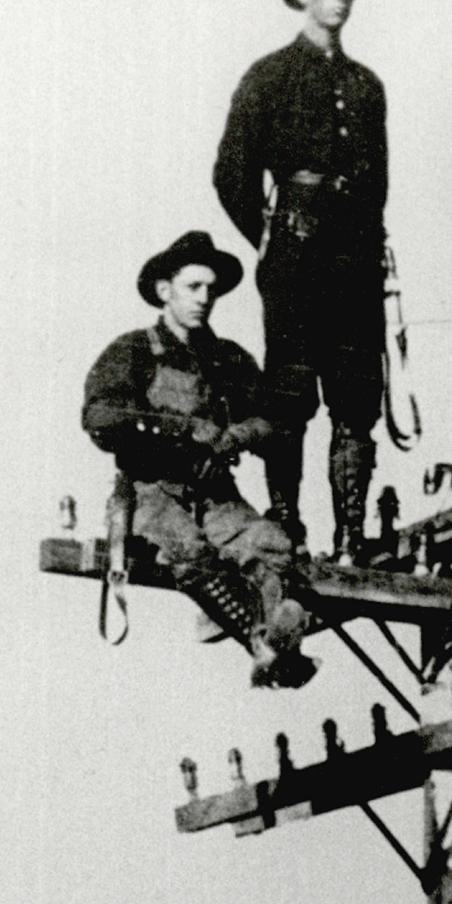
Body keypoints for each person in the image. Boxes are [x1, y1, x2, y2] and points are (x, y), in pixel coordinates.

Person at [214, 0, 387, 563]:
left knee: (356, 398)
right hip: (295, 258)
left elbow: (380, 184)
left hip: (357, 259)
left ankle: (350, 534)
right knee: (289, 396)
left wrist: (373, 245)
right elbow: (232, 172)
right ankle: (286, 525)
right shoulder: (269, 76)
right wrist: (269, 236)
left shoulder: (367, 85)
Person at [80, 229, 316, 688]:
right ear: (164, 291)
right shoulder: (132, 351)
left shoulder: (228, 358)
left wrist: (239, 435)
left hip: (217, 494)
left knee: (272, 545)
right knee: (189, 552)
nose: (204, 298)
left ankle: (277, 643)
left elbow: (278, 422)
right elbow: (99, 417)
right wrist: (181, 427)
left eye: (211, 289)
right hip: (152, 491)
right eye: (193, 287)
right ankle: (261, 644)